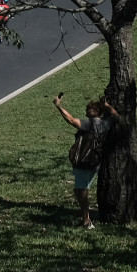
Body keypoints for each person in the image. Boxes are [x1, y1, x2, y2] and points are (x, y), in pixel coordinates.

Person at [53, 91, 120, 228]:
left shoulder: (89, 124)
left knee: (81, 190)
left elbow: (71, 120)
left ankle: (86, 220)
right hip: (96, 161)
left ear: (95, 112)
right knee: (79, 190)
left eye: (89, 109)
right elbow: (115, 115)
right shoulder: (106, 124)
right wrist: (107, 105)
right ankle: (84, 216)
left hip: (84, 161)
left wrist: (58, 106)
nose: (86, 112)